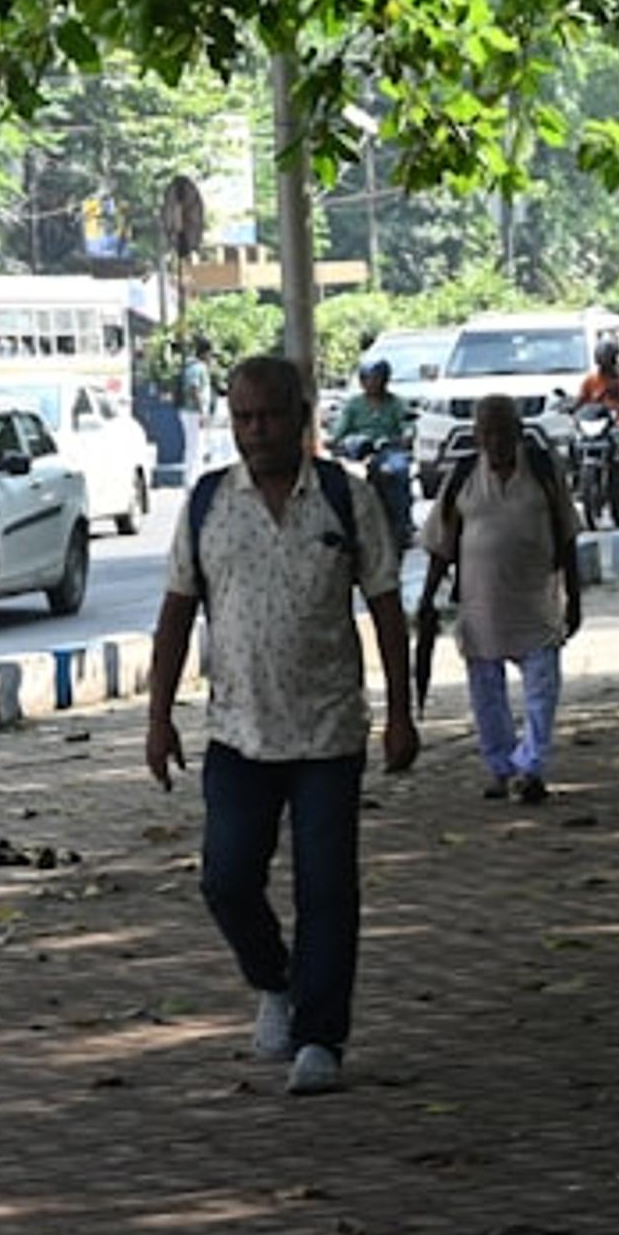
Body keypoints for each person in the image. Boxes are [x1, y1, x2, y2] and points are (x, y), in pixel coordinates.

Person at [145, 353, 420, 1095]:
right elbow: (175, 611)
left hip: (328, 731)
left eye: (267, 416)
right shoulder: (208, 502)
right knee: (227, 879)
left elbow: (387, 605)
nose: (254, 431)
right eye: (241, 417)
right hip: (237, 731)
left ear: (303, 417)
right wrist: (158, 716)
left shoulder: (344, 497)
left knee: (327, 888)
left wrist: (401, 712)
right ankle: (275, 980)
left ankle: (320, 1040)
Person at [417, 394, 579, 803]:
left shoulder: (542, 470)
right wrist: (426, 599)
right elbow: (441, 544)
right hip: (482, 606)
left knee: (542, 691)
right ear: (477, 436)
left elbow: (567, 535)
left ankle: (531, 767)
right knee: (486, 695)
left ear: (519, 433)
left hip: (536, 604)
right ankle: (501, 767)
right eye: (487, 432)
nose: (496, 440)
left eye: (503, 431)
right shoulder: (464, 475)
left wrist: (575, 596)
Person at [325, 353, 419, 560]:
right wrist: (333, 441)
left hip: (387, 450)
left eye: (377, 377)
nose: (372, 382)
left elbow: (407, 425)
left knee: (396, 470)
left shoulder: (396, 403)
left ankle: (403, 524)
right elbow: (340, 430)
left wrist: (405, 436)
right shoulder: (354, 405)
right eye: (367, 378)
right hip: (357, 452)